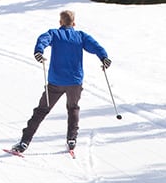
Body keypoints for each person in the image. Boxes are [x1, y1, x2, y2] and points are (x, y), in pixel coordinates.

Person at [10, 9, 111, 154]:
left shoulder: (54, 33)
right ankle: (71, 139)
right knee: (73, 108)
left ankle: (24, 142)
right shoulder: (81, 36)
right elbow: (95, 46)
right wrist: (104, 57)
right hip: (75, 82)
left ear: (60, 22)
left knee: (41, 110)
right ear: (74, 23)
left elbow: (43, 39)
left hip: (56, 81)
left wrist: (39, 51)